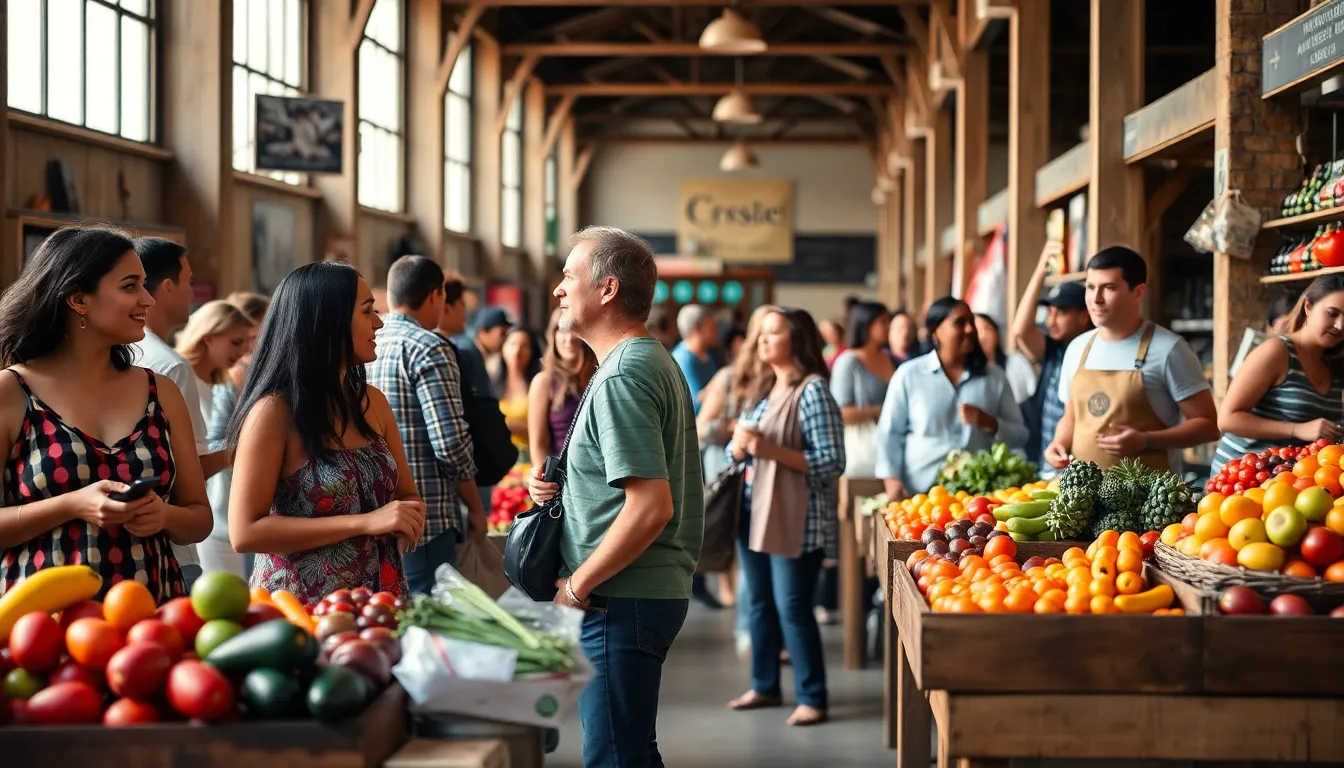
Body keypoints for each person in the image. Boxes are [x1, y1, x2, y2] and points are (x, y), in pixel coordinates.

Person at [526, 226, 702, 768]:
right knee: (629, 750)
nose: (557, 289)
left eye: (568, 276)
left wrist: (578, 586)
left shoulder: (623, 374)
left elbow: (651, 506)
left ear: (606, 289)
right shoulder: (639, 361)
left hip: (620, 597)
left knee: (615, 757)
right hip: (630, 593)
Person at [0, 225, 211, 600]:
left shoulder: (161, 391)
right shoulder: (12, 391)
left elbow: (198, 518)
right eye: (130, 287)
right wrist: (72, 505)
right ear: (78, 300)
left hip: (152, 623)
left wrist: (164, 516)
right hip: (42, 628)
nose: (147, 300)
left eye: (145, 285)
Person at [227, 262, 427, 602]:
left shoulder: (373, 403)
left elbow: (406, 494)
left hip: (379, 602)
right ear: (326, 320)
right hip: (301, 612)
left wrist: (410, 512)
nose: (379, 322)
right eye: (368, 311)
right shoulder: (272, 413)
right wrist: (364, 523)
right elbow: (245, 532)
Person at [725, 308, 845, 726]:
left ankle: (813, 696)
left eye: (772, 333)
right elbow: (736, 455)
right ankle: (765, 685)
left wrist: (767, 450)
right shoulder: (763, 391)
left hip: (798, 519)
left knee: (792, 606)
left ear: (796, 339)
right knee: (758, 604)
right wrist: (739, 448)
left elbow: (832, 462)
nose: (762, 341)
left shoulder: (813, 392)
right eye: (760, 334)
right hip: (752, 512)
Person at [365, 256, 486, 595]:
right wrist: (475, 508)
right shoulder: (429, 347)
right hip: (425, 517)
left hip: (374, 511)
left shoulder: (368, 344)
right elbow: (450, 443)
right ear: (436, 296)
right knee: (427, 619)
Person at [1045, 246, 1219, 473]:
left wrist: (1146, 440)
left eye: (1108, 288)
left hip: (1148, 503)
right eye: (1090, 287)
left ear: (1138, 292)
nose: (1096, 299)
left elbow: (1207, 426)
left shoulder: (1169, 350)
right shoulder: (1077, 348)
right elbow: (1070, 418)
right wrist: (1058, 443)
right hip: (1085, 502)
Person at [132, 237, 228, 589]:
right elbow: (193, 469)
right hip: (170, 555)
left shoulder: (127, 356)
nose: (193, 293)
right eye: (188, 282)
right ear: (167, 287)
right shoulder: (170, 368)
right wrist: (241, 448)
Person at [876, 297, 1029, 499]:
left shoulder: (994, 377)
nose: (970, 330)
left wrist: (989, 423)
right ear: (935, 331)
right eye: (959, 323)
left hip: (977, 499)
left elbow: (1020, 435)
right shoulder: (909, 375)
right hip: (920, 496)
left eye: (971, 322)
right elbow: (890, 433)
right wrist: (891, 479)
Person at [1213, 275, 1344, 473]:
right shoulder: (1277, 351)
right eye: (1332, 313)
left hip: (1284, 478)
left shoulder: (1334, 363)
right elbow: (1227, 419)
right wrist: (1298, 429)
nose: (1340, 325)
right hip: (1241, 477)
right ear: (1308, 306)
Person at [176, 300, 254, 576]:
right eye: (236, 342)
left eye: (247, 342)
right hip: (203, 516)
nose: (243, 351)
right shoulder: (179, 378)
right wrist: (248, 447)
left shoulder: (219, 386)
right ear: (208, 337)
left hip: (223, 511)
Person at [1009, 242, 1095, 471]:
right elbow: (1019, 330)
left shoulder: (1095, 354)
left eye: (1062, 312)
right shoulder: (1053, 349)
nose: (1051, 321)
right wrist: (1040, 271)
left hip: (1081, 467)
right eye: (1050, 312)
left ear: (1084, 316)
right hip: (1047, 462)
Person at [528, 307, 597, 463]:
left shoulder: (599, 376)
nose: (569, 339)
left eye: (575, 330)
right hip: (562, 478)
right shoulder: (544, 382)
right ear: (552, 335)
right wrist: (547, 483)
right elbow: (538, 446)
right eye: (562, 330)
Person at [494, 328, 542, 459]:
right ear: (503, 349)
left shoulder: (538, 384)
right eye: (512, 344)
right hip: (498, 460)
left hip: (528, 458)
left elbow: (545, 428)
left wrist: (510, 425)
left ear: (532, 352)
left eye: (524, 346)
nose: (517, 351)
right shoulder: (493, 384)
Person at [671, 304, 721, 414]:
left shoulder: (707, 354)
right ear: (698, 328)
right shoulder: (683, 359)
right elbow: (693, 404)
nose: (716, 331)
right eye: (712, 326)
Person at [474, 307, 512, 384]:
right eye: (502, 333)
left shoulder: (500, 360)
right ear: (483, 331)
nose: (506, 338)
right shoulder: (467, 357)